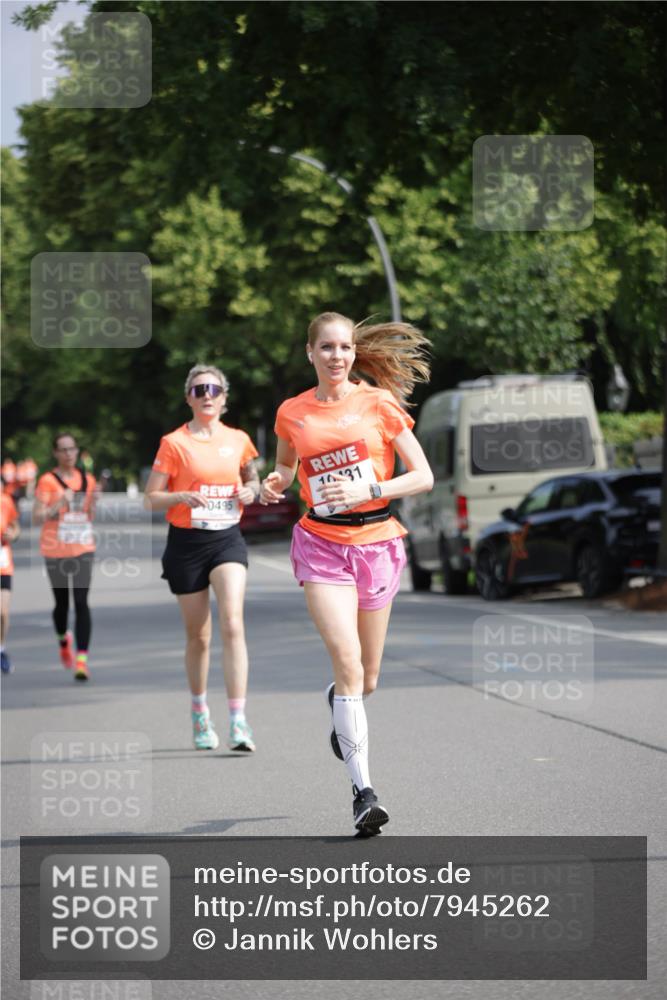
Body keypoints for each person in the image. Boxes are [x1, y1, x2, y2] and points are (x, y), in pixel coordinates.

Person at [260, 311, 434, 836]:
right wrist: (275, 481)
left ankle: (341, 702)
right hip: (321, 545)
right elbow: (288, 470)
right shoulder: (292, 412)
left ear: (354, 354)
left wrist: (370, 490)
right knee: (347, 661)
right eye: (327, 347)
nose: (337, 356)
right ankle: (364, 794)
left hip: (377, 543)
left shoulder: (379, 405)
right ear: (310, 353)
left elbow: (422, 476)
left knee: (367, 678)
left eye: (345, 347)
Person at [144, 364, 260, 753]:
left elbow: (252, 478)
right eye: (199, 390)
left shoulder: (239, 439)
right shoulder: (174, 442)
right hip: (186, 543)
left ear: (224, 397)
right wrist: (178, 496)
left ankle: (239, 721)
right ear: (188, 398)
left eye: (213, 389)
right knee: (200, 636)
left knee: (232, 622)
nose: (207, 395)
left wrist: (251, 490)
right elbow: (150, 498)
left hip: (226, 539)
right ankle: (199, 712)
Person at [33, 433, 97, 681]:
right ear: (55, 453)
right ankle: (63, 640)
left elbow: (88, 515)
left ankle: (82, 660)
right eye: (63, 449)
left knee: (81, 602)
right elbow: (38, 517)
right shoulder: (47, 481)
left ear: (77, 451)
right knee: (62, 604)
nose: (69, 454)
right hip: (55, 550)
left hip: (82, 548)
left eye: (72, 449)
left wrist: (94, 503)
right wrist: (60, 501)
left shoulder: (87, 479)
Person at [1, 484, 20, 674]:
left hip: (3, 564)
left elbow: (16, 527)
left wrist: (12, 534)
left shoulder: (5, 501)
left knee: (3, 613)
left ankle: (1, 649)